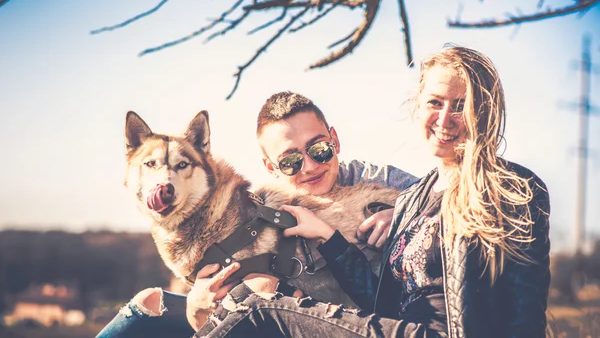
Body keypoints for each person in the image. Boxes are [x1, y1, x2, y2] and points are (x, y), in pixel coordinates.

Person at [192, 46, 551, 338]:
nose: (445, 120)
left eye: (462, 105)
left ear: (484, 110)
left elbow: (526, 307)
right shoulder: (414, 198)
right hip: (396, 328)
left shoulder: (511, 187)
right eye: (436, 103)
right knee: (230, 301)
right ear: (418, 106)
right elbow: (378, 302)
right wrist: (328, 236)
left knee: (257, 307)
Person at [97, 92, 417, 337]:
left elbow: (450, 200)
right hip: (275, 310)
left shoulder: (378, 181)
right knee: (148, 302)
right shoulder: (259, 208)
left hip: (336, 318)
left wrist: (406, 212)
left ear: (335, 140)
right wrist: (195, 307)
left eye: (319, 150)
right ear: (271, 167)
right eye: (290, 161)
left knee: (252, 296)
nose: (309, 166)